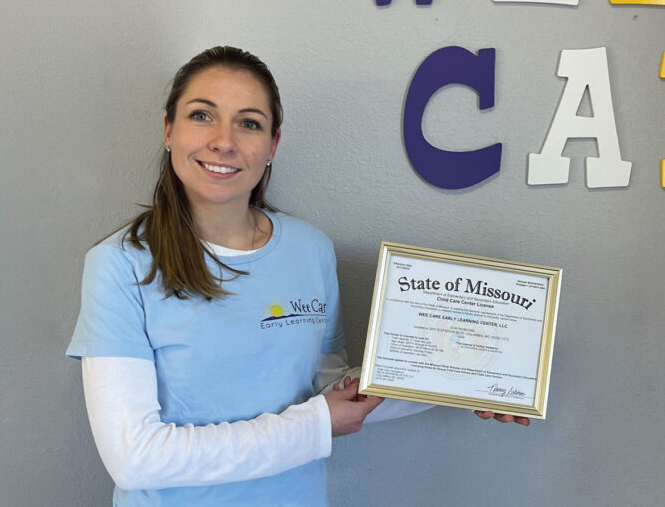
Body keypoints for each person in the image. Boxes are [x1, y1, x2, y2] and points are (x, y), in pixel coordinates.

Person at [67, 46, 526, 506]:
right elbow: (136, 458)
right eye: (202, 115)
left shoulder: (310, 250)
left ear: (272, 144)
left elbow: (326, 388)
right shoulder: (121, 265)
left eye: (249, 122)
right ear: (169, 130)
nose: (223, 141)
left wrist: (467, 381)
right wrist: (316, 425)